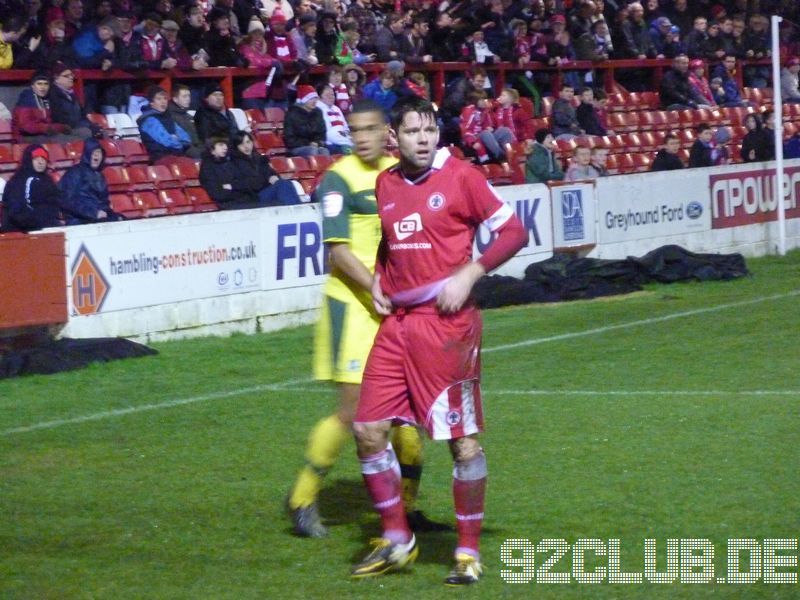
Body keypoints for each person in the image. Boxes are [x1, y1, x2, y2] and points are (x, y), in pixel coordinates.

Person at [349, 96, 527, 585]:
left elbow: (513, 231)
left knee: (460, 441)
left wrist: (471, 272)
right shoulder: (385, 183)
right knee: (367, 429)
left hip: (447, 327)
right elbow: (393, 241)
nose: (424, 139)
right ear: (394, 138)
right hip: (398, 325)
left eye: (430, 130)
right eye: (413, 132)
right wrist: (381, 280)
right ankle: (398, 539)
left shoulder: (462, 177)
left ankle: (467, 552)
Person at [287, 99, 444, 539]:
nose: (361, 137)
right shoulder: (338, 178)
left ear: (387, 131)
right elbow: (337, 251)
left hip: (391, 306)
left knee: (410, 415)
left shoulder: (401, 172)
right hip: (353, 307)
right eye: (355, 130)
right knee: (352, 411)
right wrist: (377, 289)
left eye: (371, 128)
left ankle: (406, 511)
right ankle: (302, 498)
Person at [58, 138, 123, 225]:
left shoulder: (100, 176)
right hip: (79, 221)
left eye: (99, 153)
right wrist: (93, 213)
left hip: (97, 220)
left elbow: (104, 203)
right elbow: (66, 200)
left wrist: (111, 214)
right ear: (87, 154)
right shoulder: (75, 172)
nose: (96, 155)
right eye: (93, 152)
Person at [0, 145, 63, 232]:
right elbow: (18, 212)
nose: (40, 162)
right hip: (22, 234)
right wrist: (42, 224)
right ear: (28, 160)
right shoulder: (18, 182)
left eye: (43, 159)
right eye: (36, 158)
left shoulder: (48, 180)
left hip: (45, 230)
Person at [229, 130, 301, 206]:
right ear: (236, 147)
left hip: (266, 191)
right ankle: (297, 214)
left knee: (286, 184)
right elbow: (249, 184)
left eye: (248, 142)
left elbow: (271, 174)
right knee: (283, 186)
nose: (246, 146)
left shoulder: (260, 159)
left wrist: (274, 177)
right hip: (253, 197)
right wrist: (266, 179)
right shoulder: (234, 163)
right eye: (241, 144)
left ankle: (298, 212)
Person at [138, 85, 193, 162]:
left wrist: (176, 139)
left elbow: (186, 139)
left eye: (165, 98)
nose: (163, 101)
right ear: (151, 102)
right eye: (159, 99)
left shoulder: (168, 117)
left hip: (176, 155)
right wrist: (177, 140)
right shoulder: (148, 120)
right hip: (159, 158)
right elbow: (168, 142)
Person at [13, 70, 71, 142]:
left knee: (81, 133)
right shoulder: (26, 100)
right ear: (33, 86)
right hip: (26, 138)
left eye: (46, 84)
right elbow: (26, 126)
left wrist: (60, 127)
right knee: (61, 140)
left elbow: (49, 122)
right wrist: (46, 128)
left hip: (42, 135)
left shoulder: (47, 99)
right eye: (39, 84)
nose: (43, 87)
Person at [459, 89, 511, 163]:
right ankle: (500, 156)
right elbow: (465, 130)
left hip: (486, 135)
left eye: (485, 99)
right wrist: (472, 142)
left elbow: (488, 122)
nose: (485, 101)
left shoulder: (485, 110)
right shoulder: (469, 111)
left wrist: (490, 127)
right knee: (486, 133)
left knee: (505, 131)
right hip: (474, 138)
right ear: (476, 101)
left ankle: (509, 153)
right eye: (482, 100)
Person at [282, 84, 330, 157]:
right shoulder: (292, 114)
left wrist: (318, 143)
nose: (314, 101)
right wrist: (308, 143)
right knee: (312, 150)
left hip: (314, 146)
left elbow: (322, 134)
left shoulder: (318, 112)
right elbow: (290, 139)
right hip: (296, 147)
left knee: (324, 151)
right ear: (303, 100)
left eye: (315, 98)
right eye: (311, 99)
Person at [167, 84, 203, 158]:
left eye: (189, 96)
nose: (188, 99)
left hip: (196, 150)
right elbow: (182, 144)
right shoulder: (170, 117)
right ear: (175, 99)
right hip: (185, 155)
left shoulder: (188, 116)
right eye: (184, 96)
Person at [317, 83, 353, 155]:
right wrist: (346, 142)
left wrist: (350, 140)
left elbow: (345, 128)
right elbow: (328, 134)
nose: (331, 97)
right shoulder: (318, 110)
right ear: (319, 97)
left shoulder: (337, 109)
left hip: (344, 141)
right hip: (330, 143)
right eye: (327, 95)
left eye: (332, 95)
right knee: (349, 152)